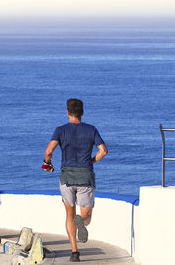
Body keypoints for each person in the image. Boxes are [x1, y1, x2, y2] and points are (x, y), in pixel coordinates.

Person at [42, 98, 108, 262]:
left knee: (69, 215)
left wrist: (47, 163)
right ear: (82, 112)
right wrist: (91, 161)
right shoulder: (91, 130)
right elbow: (103, 151)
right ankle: (82, 221)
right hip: (85, 175)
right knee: (87, 216)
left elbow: (49, 151)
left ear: (67, 112)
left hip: (67, 177)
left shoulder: (60, 130)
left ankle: (74, 253)